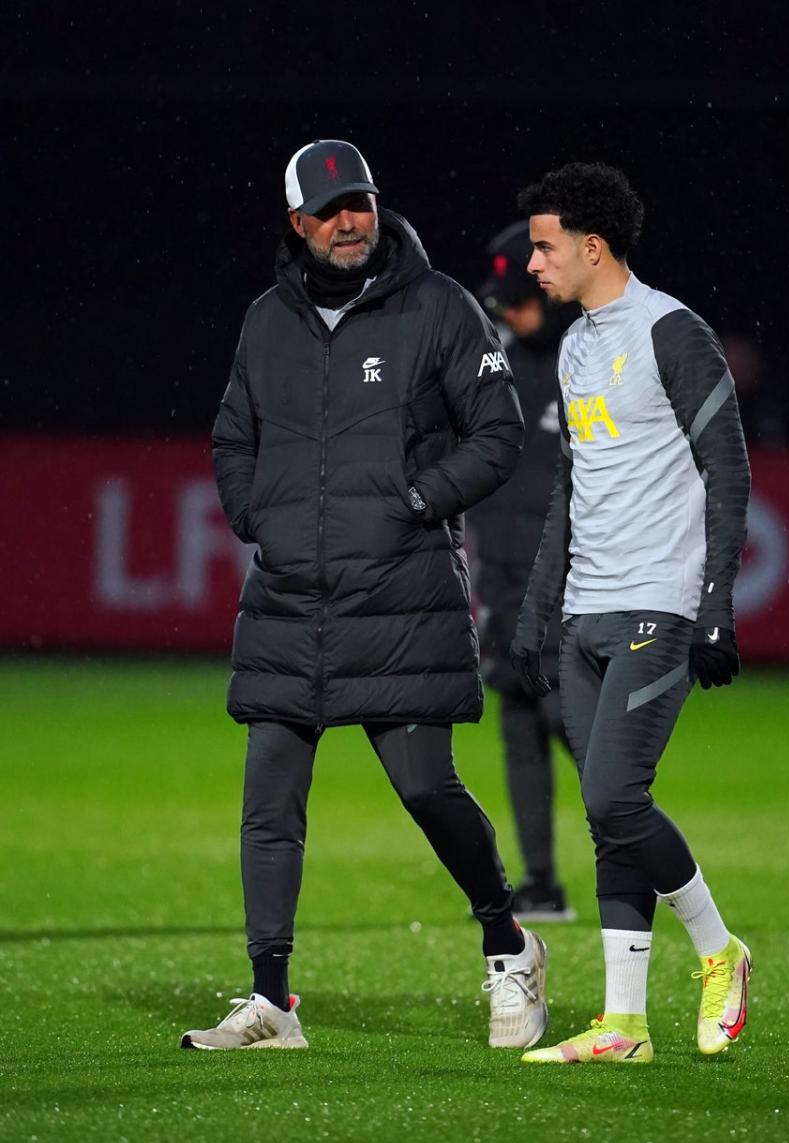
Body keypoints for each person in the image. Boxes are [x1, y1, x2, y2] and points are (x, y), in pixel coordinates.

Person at [180, 140, 548, 1052]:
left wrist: (418, 500)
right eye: (332, 207)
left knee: (427, 789)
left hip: (402, 598)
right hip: (290, 601)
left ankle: (510, 944)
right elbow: (233, 438)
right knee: (270, 804)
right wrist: (253, 513)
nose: (352, 220)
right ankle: (272, 1002)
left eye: (363, 202)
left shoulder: (440, 307)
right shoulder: (266, 321)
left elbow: (498, 433)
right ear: (298, 223)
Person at [508, 162, 752, 1064]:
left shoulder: (672, 331)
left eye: (543, 245)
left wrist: (717, 603)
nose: (532, 263)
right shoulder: (574, 346)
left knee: (616, 793)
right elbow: (574, 489)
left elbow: (729, 470)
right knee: (605, 817)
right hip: (586, 613)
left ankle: (720, 949)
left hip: (659, 602)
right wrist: (539, 611)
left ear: (591, 245)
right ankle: (624, 1022)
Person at [470, 222, 578, 921]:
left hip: (570, 587)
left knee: (572, 722)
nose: (508, 312)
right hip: (504, 584)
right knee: (518, 720)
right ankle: (540, 881)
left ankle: (646, 852)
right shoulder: (495, 363)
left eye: (520, 299)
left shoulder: (591, 359)